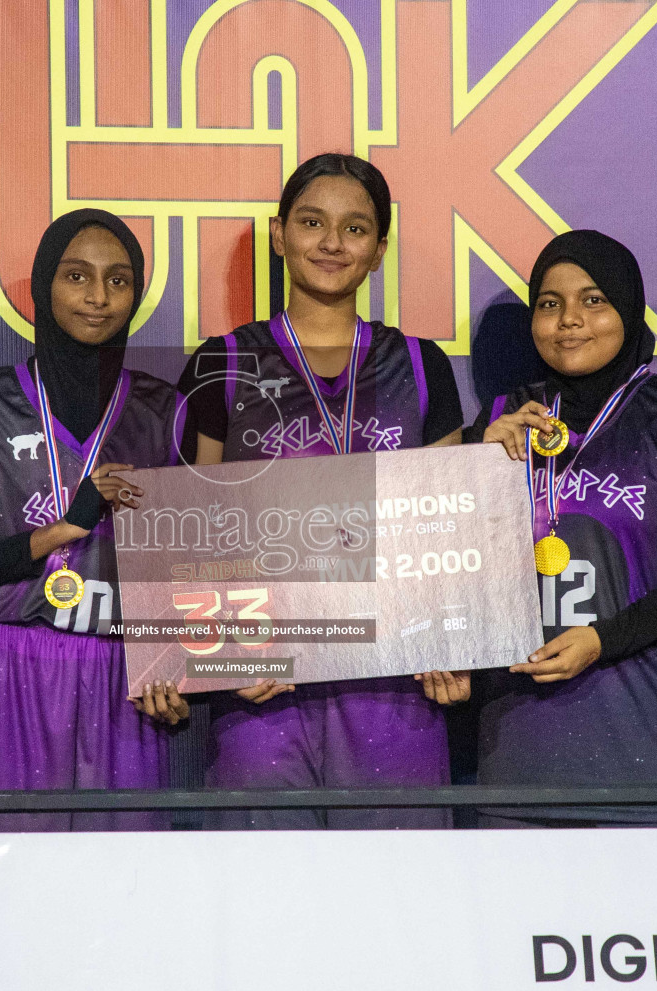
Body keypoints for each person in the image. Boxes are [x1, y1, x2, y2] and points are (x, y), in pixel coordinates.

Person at [176, 153, 467, 829]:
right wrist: (224, 653)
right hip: (265, 685)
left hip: (394, 685)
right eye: (312, 222)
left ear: (379, 248)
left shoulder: (422, 367)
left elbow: (447, 531)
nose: (332, 243)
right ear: (279, 234)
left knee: (395, 902)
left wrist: (451, 645)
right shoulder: (223, 364)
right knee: (266, 906)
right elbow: (193, 530)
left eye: (355, 228)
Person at [472, 229, 657, 825]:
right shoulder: (502, 420)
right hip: (521, 757)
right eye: (549, 303)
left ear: (627, 307)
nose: (569, 320)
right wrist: (471, 456)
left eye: (593, 300)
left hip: (653, 752)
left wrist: (602, 639)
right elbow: (442, 555)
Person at [0, 209, 188, 831]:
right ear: (45, 286)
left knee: (125, 898)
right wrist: (65, 528)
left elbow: (194, 570)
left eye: (118, 280)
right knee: (1, 891)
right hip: (9, 671)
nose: (98, 297)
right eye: (77, 276)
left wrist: (178, 666)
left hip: (127, 679)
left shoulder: (165, 411)